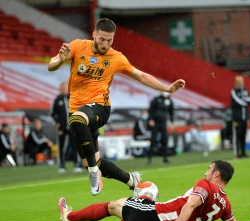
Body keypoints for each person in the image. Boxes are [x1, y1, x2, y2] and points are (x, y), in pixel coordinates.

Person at [48, 18, 185, 195]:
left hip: (100, 108)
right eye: (102, 39)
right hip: (78, 110)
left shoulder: (116, 57)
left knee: (77, 123)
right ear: (94, 35)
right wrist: (61, 60)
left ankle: (93, 172)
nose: (105, 44)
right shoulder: (77, 46)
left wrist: (167, 88)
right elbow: (51, 66)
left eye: (109, 40)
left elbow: (140, 75)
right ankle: (131, 180)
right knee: (93, 160)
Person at [58, 160, 250, 221]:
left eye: (209, 169)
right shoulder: (225, 203)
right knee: (139, 203)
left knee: (115, 204)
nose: (205, 173)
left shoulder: (205, 186)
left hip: (159, 217)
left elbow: (192, 203)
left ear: (217, 174)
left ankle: (69, 216)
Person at [50, 81, 83, 173]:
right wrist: (57, 122)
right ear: (60, 89)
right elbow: (52, 113)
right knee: (62, 147)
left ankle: (77, 163)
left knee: (76, 145)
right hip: (62, 127)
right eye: (62, 88)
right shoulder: (57, 100)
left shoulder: (74, 98)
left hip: (73, 125)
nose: (64, 90)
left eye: (65, 88)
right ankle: (61, 165)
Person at [230, 76, 250, 159]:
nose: (241, 83)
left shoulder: (245, 91)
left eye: (241, 81)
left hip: (245, 117)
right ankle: (236, 154)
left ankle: (243, 152)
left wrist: (245, 101)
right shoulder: (233, 91)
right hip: (237, 118)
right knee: (236, 136)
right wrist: (245, 102)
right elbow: (237, 101)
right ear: (235, 83)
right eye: (239, 82)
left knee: (243, 136)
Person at [147, 92, 175, 164]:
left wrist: (172, 122)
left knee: (165, 140)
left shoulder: (169, 101)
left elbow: (171, 112)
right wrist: (150, 119)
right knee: (153, 140)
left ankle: (165, 157)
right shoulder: (156, 99)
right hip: (155, 123)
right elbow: (151, 110)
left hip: (163, 123)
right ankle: (149, 159)